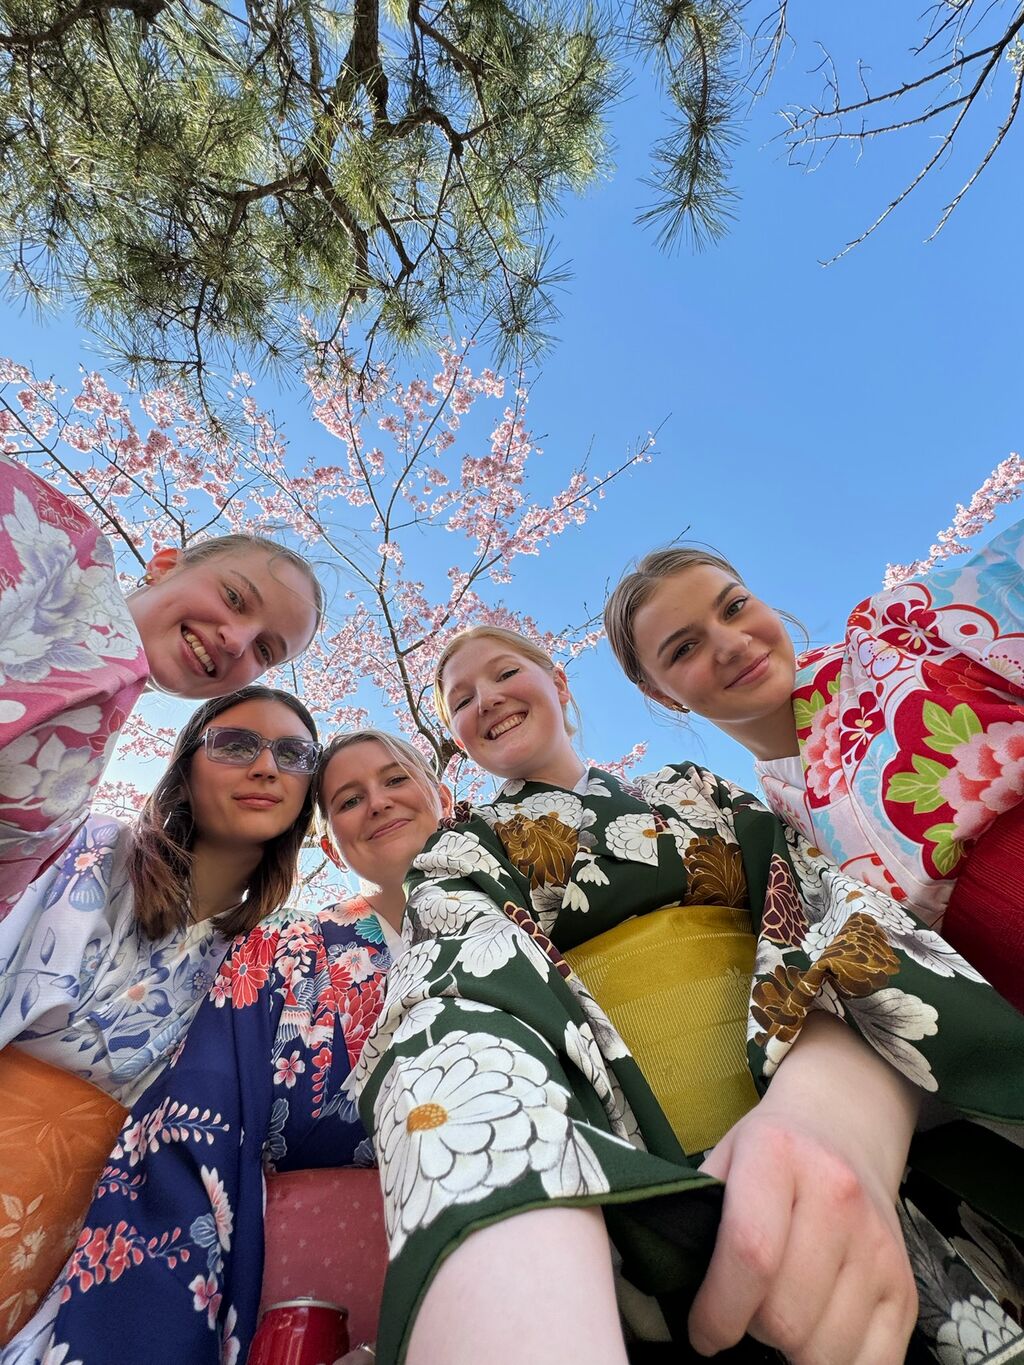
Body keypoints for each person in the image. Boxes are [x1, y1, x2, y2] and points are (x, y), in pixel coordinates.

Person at [351, 625, 1024, 1365]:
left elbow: (821, 897)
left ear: (560, 685)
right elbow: (458, 995)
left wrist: (840, 1105)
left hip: (833, 1108)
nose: (487, 700)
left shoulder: (691, 788)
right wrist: (493, 1210)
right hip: (646, 1170)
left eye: (504, 672)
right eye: (461, 700)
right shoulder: (460, 853)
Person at [4, 730, 451, 1365]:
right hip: (301, 1302)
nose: (376, 803)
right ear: (329, 843)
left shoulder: (541, 929)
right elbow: (191, 1130)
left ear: (447, 799)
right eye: (348, 800)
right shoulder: (281, 955)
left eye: (396, 780)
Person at [602, 537, 1024, 1008]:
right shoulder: (775, 831)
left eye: (735, 607)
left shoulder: (899, 629)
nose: (733, 644)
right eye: (684, 649)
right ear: (663, 696)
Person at [0, 452, 324, 918]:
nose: (236, 641)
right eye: (233, 597)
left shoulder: (97, 730)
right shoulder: (51, 540)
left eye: (265, 651)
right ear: (165, 564)